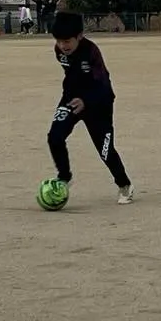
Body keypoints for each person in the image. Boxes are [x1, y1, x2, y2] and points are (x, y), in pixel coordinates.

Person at [47, 11, 133, 205]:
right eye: (59, 41)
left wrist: (86, 100)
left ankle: (124, 184)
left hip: (98, 103)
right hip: (71, 99)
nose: (62, 46)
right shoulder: (59, 50)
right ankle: (64, 177)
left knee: (105, 150)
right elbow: (71, 75)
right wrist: (73, 97)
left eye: (67, 41)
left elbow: (103, 86)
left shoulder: (91, 52)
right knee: (55, 137)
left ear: (79, 36)